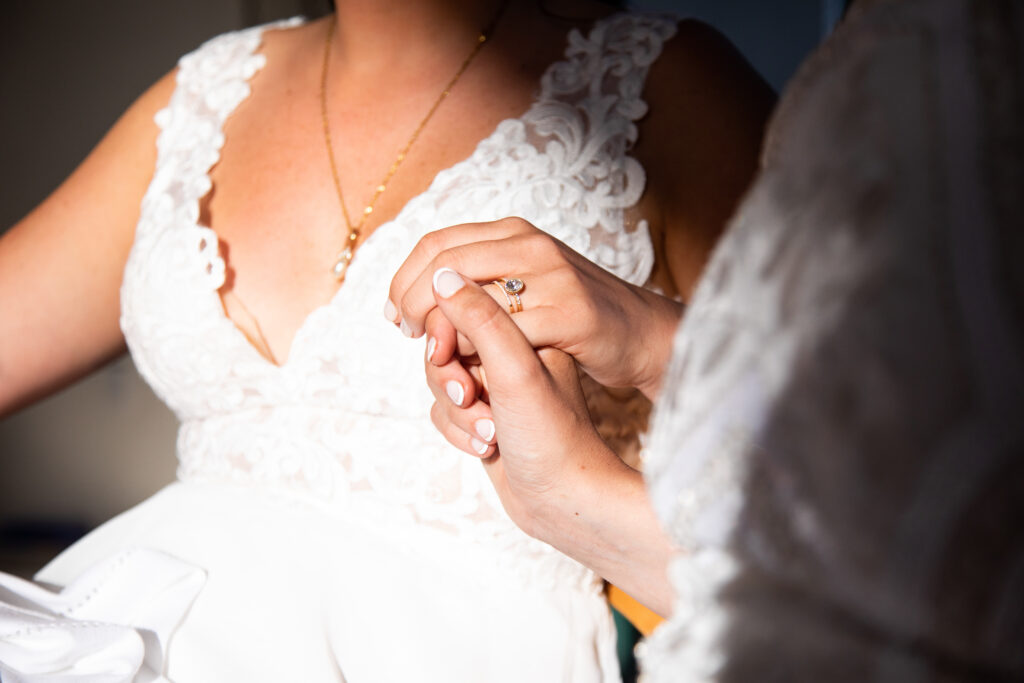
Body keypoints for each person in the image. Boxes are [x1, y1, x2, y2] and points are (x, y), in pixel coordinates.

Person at [0, 1, 774, 680]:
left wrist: (646, 335)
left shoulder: (666, 85)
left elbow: (848, 480)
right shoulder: (206, 93)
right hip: (120, 618)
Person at [389, 0, 1024, 679]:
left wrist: (580, 496)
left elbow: (908, 583)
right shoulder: (907, 44)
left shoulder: (947, 49)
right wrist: (656, 338)